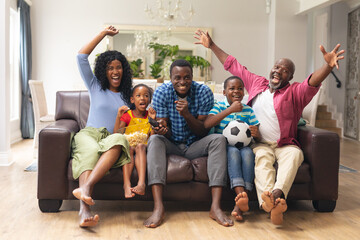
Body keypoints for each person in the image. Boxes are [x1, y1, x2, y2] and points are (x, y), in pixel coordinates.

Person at [195, 29, 345, 225]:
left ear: (290, 77)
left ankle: (275, 196)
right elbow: (233, 65)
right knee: (262, 160)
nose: (278, 71)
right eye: (276, 67)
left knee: (295, 155)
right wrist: (212, 46)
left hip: (285, 144)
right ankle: (272, 205)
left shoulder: (295, 92)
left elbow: (312, 82)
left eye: (284, 71)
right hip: (259, 144)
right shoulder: (257, 83)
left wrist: (327, 66)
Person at [144, 59, 233, 228]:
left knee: (219, 140)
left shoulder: (203, 92)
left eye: (187, 77)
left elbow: (202, 131)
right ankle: (158, 207)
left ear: (192, 77)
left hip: (195, 144)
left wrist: (186, 114)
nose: (182, 82)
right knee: (155, 139)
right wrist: (162, 129)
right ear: (170, 78)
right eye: (177, 78)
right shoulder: (162, 92)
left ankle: (215, 207)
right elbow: (165, 128)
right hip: (171, 143)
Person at [71, 26, 133, 228]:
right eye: (109, 68)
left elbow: (127, 129)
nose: (115, 71)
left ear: (124, 69)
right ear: (104, 71)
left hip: (110, 137)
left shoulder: (130, 96)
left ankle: (86, 188)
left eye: (118, 67)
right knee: (89, 151)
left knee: (120, 139)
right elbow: (81, 56)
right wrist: (103, 34)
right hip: (89, 134)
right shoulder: (95, 85)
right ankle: (85, 210)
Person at [204, 76, 260, 221]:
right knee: (234, 153)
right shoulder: (218, 106)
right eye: (232, 88)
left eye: (240, 88)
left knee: (248, 154)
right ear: (224, 92)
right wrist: (230, 110)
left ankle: (240, 203)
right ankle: (241, 196)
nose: (236, 91)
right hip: (225, 146)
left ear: (244, 92)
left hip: (245, 146)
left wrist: (257, 134)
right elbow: (208, 123)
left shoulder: (248, 110)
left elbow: (256, 134)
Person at [114, 84, 156, 198]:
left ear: (149, 100)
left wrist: (152, 120)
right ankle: (126, 185)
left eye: (146, 96)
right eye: (138, 95)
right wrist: (118, 116)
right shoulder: (127, 115)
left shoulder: (150, 115)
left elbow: (153, 137)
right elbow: (117, 134)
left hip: (144, 146)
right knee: (130, 148)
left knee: (140, 146)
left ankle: (141, 183)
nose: (142, 98)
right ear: (132, 100)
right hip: (129, 147)